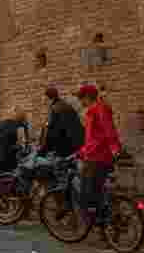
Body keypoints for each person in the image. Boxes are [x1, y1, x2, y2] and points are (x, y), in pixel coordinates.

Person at [75, 84, 122, 225]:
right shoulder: (92, 111)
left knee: (86, 188)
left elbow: (108, 130)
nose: (80, 102)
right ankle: (98, 217)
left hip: (98, 157)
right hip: (94, 154)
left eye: (81, 98)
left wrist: (114, 148)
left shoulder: (99, 109)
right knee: (94, 189)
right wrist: (81, 151)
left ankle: (96, 218)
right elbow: (93, 137)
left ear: (87, 97)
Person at [41, 87, 85, 158]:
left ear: (49, 98)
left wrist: (43, 151)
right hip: (78, 144)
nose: (44, 102)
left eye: (45, 99)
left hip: (66, 146)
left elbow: (52, 132)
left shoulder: (55, 108)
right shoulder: (66, 105)